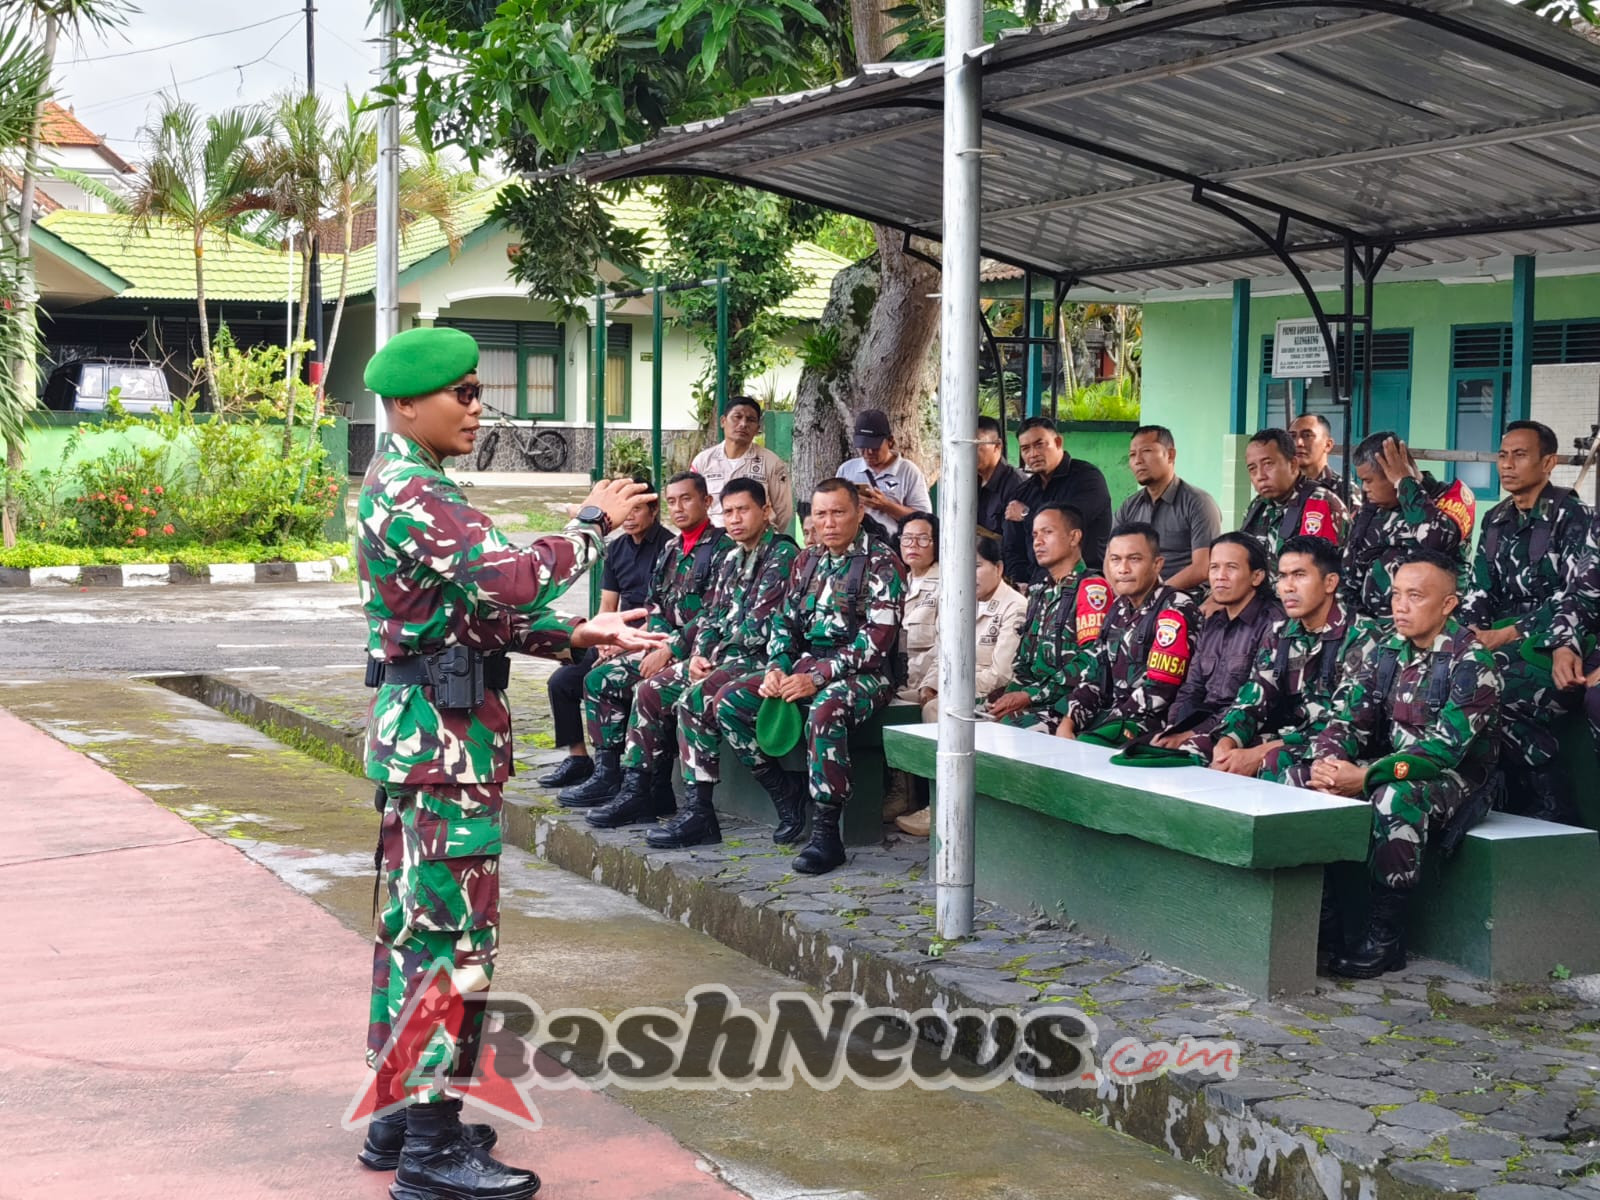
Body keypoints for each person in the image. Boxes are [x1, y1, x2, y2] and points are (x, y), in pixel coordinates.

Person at [355, 325, 667, 1199]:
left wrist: (576, 634)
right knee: (452, 938)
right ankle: (430, 1149)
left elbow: (480, 616)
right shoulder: (413, 489)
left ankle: (401, 1118)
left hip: (437, 736)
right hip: (442, 743)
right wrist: (590, 524)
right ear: (406, 404)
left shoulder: (418, 483)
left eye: (477, 389)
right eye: (460, 393)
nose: (475, 405)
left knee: (421, 927)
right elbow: (517, 578)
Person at [1296, 550, 1501, 979]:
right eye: (1396, 595)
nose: (1401, 606)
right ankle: (1325, 919)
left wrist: (1366, 776)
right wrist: (1329, 762)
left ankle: (1385, 938)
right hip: (1392, 761)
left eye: (1416, 597)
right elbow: (1349, 716)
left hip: (1455, 778)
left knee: (1395, 796)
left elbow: (1443, 752)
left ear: (1448, 605)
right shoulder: (1386, 650)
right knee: (1291, 772)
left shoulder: (1472, 664)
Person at [717, 478, 908, 875]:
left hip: (865, 674)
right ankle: (784, 792)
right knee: (731, 700)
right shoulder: (808, 561)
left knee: (825, 709)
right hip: (805, 665)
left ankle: (826, 831)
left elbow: (875, 642)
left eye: (839, 512)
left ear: (859, 513)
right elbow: (784, 623)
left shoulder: (882, 562)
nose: (829, 522)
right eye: (821, 514)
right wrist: (775, 667)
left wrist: (818, 676)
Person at [611, 477, 799, 848]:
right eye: (728, 512)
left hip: (761, 659)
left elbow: (759, 625)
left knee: (695, 700)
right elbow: (712, 617)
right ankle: (642, 790)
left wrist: (712, 658)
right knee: (650, 690)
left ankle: (774, 792)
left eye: (743, 509)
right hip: (722, 658)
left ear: (765, 511)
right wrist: (699, 655)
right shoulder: (731, 557)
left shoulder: (782, 554)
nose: (734, 519)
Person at [559, 472, 734, 814]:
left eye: (686, 499)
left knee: (648, 689)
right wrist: (655, 643)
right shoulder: (671, 549)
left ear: (707, 502)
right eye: (673, 501)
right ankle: (609, 775)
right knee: (598, 679)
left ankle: (643, 788)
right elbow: (654, 605)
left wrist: (671, 650)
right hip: (661, 646)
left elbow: (716, 611)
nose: (679, 508)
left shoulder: (723, 548)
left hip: (701, 652)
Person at [1459, 420, 1592, 822]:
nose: (1507, 465)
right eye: (1503, 455)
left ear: (1548, 462)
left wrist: (1511, 632)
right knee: (1453, 679)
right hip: (1500, 638)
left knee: (1494, 693)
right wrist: (1467, 634)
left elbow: (1579, 594)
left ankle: (1553, 801)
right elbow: (1480, 589)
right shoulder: (1496, 519)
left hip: (1554, 641)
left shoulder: (1574, 516)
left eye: (1520, 455)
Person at [536, 481, 670, 789]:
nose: (631, 516)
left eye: (639, 508)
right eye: (628, 510)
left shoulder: (668, 547)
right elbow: (607, 604)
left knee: (602, 680)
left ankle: (612, 769)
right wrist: (601, 639)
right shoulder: (617, 548)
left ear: (654, 510)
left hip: (649, 637)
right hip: (616, 634)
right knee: (562, 681)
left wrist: (623, 645)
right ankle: (578, 758)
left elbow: (664, 609)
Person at [1209, 536, 1377, 781]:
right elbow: (1254, 697)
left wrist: (1264, 750)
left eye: (1299, 575)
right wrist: (1226, 742)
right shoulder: (1281, 632)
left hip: (1337, 745)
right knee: (1202, 749)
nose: (1287, 587)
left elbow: (1346, 724)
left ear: (1330, 582)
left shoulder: (1362, 635)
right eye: (1283, 576)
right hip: (1289, 737)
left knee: (1274, 762)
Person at [897, 536, 1027, 839]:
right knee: (902, 700)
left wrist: (946, 690)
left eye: (977, 566)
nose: (969, 574)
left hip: (994, 698)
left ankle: (942, 806)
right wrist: (931, 685)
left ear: (999, 568)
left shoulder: (1014, 607)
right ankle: (901, 792)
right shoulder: (957, 602)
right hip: (954, 687)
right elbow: (940, 654)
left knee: (938, 708)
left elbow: (1000, 674)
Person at [1053, 523, 1200, 745]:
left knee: (1088, 745)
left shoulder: (1175, 608)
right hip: (1113, 716)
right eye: (1115, 559)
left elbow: (1159, 692)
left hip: (1154, 723)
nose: (1123, 569)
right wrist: (1069, 721)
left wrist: (1100, 724)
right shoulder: (1118, 607)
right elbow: (1095, 672)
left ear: (1157, 564)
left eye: (1134, 559)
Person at [1149, 533, 1280, 752]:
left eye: (1231, 568)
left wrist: (1191, 735)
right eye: (1214, 567)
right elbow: (1192, 688)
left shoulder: (1274, 624)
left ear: (1256, 577)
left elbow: (1254, 703)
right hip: (1200, 724)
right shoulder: (1212, 623)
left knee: (1183, 754)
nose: (1220, 576)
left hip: (1244, 729)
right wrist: (1174, 727)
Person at [982, 504, 1108, 732]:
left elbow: (1091, 661)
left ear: (1074, 537)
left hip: (1070, 704)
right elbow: (1024, 659)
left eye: (1047, 532)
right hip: (1035, 699)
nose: (1038, 541)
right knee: (977, 719)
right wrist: (1010, 696)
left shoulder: (1091, 589)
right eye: (1034, 535)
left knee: (1008, 730)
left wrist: (1030, 696)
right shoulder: (1040, 591)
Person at [1342, 432, 1474, 620]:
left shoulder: (1449, 496)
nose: (1364, 488)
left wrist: (1405, 482)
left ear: (1394, 471)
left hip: (1433, 627)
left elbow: (1436, 540)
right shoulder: (1373, 509)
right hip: (1374, 628)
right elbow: (1350, 569)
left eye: (1368, 480)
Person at [1002, 416, 1113, 580]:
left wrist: (1026, 514)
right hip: (1036, 586)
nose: (1033, 454)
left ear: (1058, 442)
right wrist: (1021, 581)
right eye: (1025, 449)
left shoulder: (1087, 478)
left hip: (1083, 582)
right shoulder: (1023, 492)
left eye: (1039, 445)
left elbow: (1067, 525)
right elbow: (1012, 547)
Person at [1115, 424, 1222, 591]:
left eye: (1147, 452)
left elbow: (1202, 568)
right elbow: (1110, 558)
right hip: (1136, 597)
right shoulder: (1129, 507)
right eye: (1132, 455)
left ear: (1170, 455)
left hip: (1186, 597)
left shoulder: (1198, 503)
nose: (1138, 461)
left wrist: (1156, 595)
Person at [1239, 428, 1349, 562]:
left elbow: (1317, 571)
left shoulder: (1320, 503)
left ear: (1293, 465)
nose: (1260, 476)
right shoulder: (1258, 506)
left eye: (1268, 464)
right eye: (1252, 469)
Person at [691, 395, 794, 534]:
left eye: (750, 420)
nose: (743, 424)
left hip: (755, 545)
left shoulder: (771, 463)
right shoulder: (703, 461)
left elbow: (783, 511)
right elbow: (694, 503)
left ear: (757, 428)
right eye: (737, 417)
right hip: (713, 543)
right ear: (723, 421)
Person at [835, 407, 933, 540]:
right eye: (863, 447)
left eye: (874, 447)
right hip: (854, 545)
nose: (868, 453)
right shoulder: (847, 470)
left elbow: (925, 520)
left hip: (892, 546)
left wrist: (886, 506)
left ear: (890, 442)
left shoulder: (909, 471)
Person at [976, 415, 1025, 536]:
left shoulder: (1015, 484)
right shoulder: (968, 481)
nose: (969, 452)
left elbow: (1012, 542)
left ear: (997, 445)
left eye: (977, 445)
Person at [1290, 413, 1351, 504]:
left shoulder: (1344, 490)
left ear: (1328, 445)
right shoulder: (1283, 488)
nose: (1298, 443)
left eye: (1307, 435)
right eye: (1292, 436)